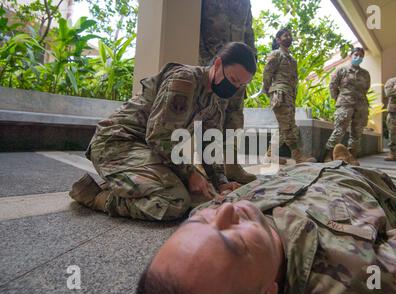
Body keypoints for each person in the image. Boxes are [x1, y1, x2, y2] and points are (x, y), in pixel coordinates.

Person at [136, 145, 396, 294]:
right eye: (234, 240)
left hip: (308, 173)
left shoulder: (232, 212)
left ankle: (345, 162)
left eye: (199, 221)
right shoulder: (360, 278)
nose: (224, 212)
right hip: (376, 189)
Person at [69, 42, 257, 221]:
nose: (234, 88)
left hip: (149, 149)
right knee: (173, 201)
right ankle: (97, 196)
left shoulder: (214, 103)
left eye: (240, 85)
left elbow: (210, 146)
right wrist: (190, 173)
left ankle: (132, 183)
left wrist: (221, 182)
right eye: (233, 79)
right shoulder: (185, 79)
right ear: (217, 64)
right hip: (117, 142)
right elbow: (160, 135)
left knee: (199, 192)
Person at [198, 0, 257, 184]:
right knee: (213, 116)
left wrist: (252, 59)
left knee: (235, 116)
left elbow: (248, 29)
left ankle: (231, 164)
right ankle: (208, 164)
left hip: (239, 67)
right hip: (217, 64)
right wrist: (205, 58)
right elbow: (196, 24)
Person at [263, 28, 316, 164]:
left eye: (290, 35)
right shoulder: (275, 54)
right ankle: (297, 156)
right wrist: (270, 91)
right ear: (278, 40)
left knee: (283, 127)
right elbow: (267, 74)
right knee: (289, 126)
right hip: (280, 93)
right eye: (285, 35)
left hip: (290, 95)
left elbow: (294, 80)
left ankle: (270, 156)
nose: (288, 37)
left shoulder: (292, 60)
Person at [324, 47, 371, 166]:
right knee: (339, 130)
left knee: (357, 132)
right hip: (345, 104)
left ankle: (352, 156)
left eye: (361, 56)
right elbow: (333, 86)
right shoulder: (342, 70)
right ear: (350, 56)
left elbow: (366, 88)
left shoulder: (365, 74)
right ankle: (328, 154)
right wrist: (339, 99)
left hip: (361, 106)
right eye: (356, 54)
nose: (358, 57)